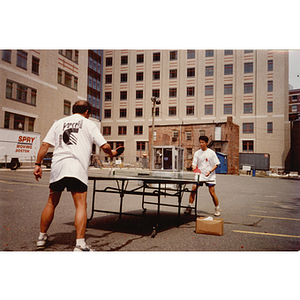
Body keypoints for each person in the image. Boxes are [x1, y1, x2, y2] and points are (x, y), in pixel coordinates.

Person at [34, 100, 120, 251]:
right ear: (87, 112)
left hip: (58, 167)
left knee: (51, 203)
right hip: (76, 168)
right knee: (81, 205)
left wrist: (38, 164)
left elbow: (44, 145)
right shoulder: (89, 124)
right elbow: (104, 146)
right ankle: (80, 245)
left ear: (73, 110)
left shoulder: (58, 123)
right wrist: (112, 153)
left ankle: (41, 237)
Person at [184, 135, 221, 217]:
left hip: (210, 175)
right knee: (193, 189)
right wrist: (194, 167)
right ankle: (189, 207)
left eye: (202, 142)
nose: (201, 144)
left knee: (212, 193)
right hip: (199, 175)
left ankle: (217, 208)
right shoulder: (197, 153)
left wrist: (210, 171)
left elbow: (216, 164)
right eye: (200, 142)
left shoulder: (211, 153)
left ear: (206, 143)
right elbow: (194, 164)